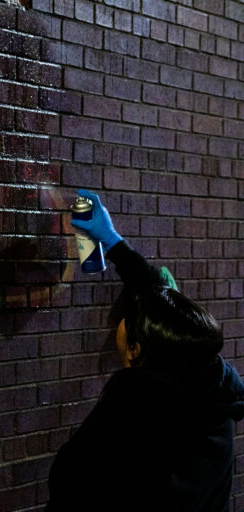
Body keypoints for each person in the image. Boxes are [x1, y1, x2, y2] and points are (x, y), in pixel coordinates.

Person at [45, 190, 244, 512]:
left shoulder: (134, 406)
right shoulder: (211, 392)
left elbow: (72, 479)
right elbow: (168, 309)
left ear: (136, 349)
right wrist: (112, 242)